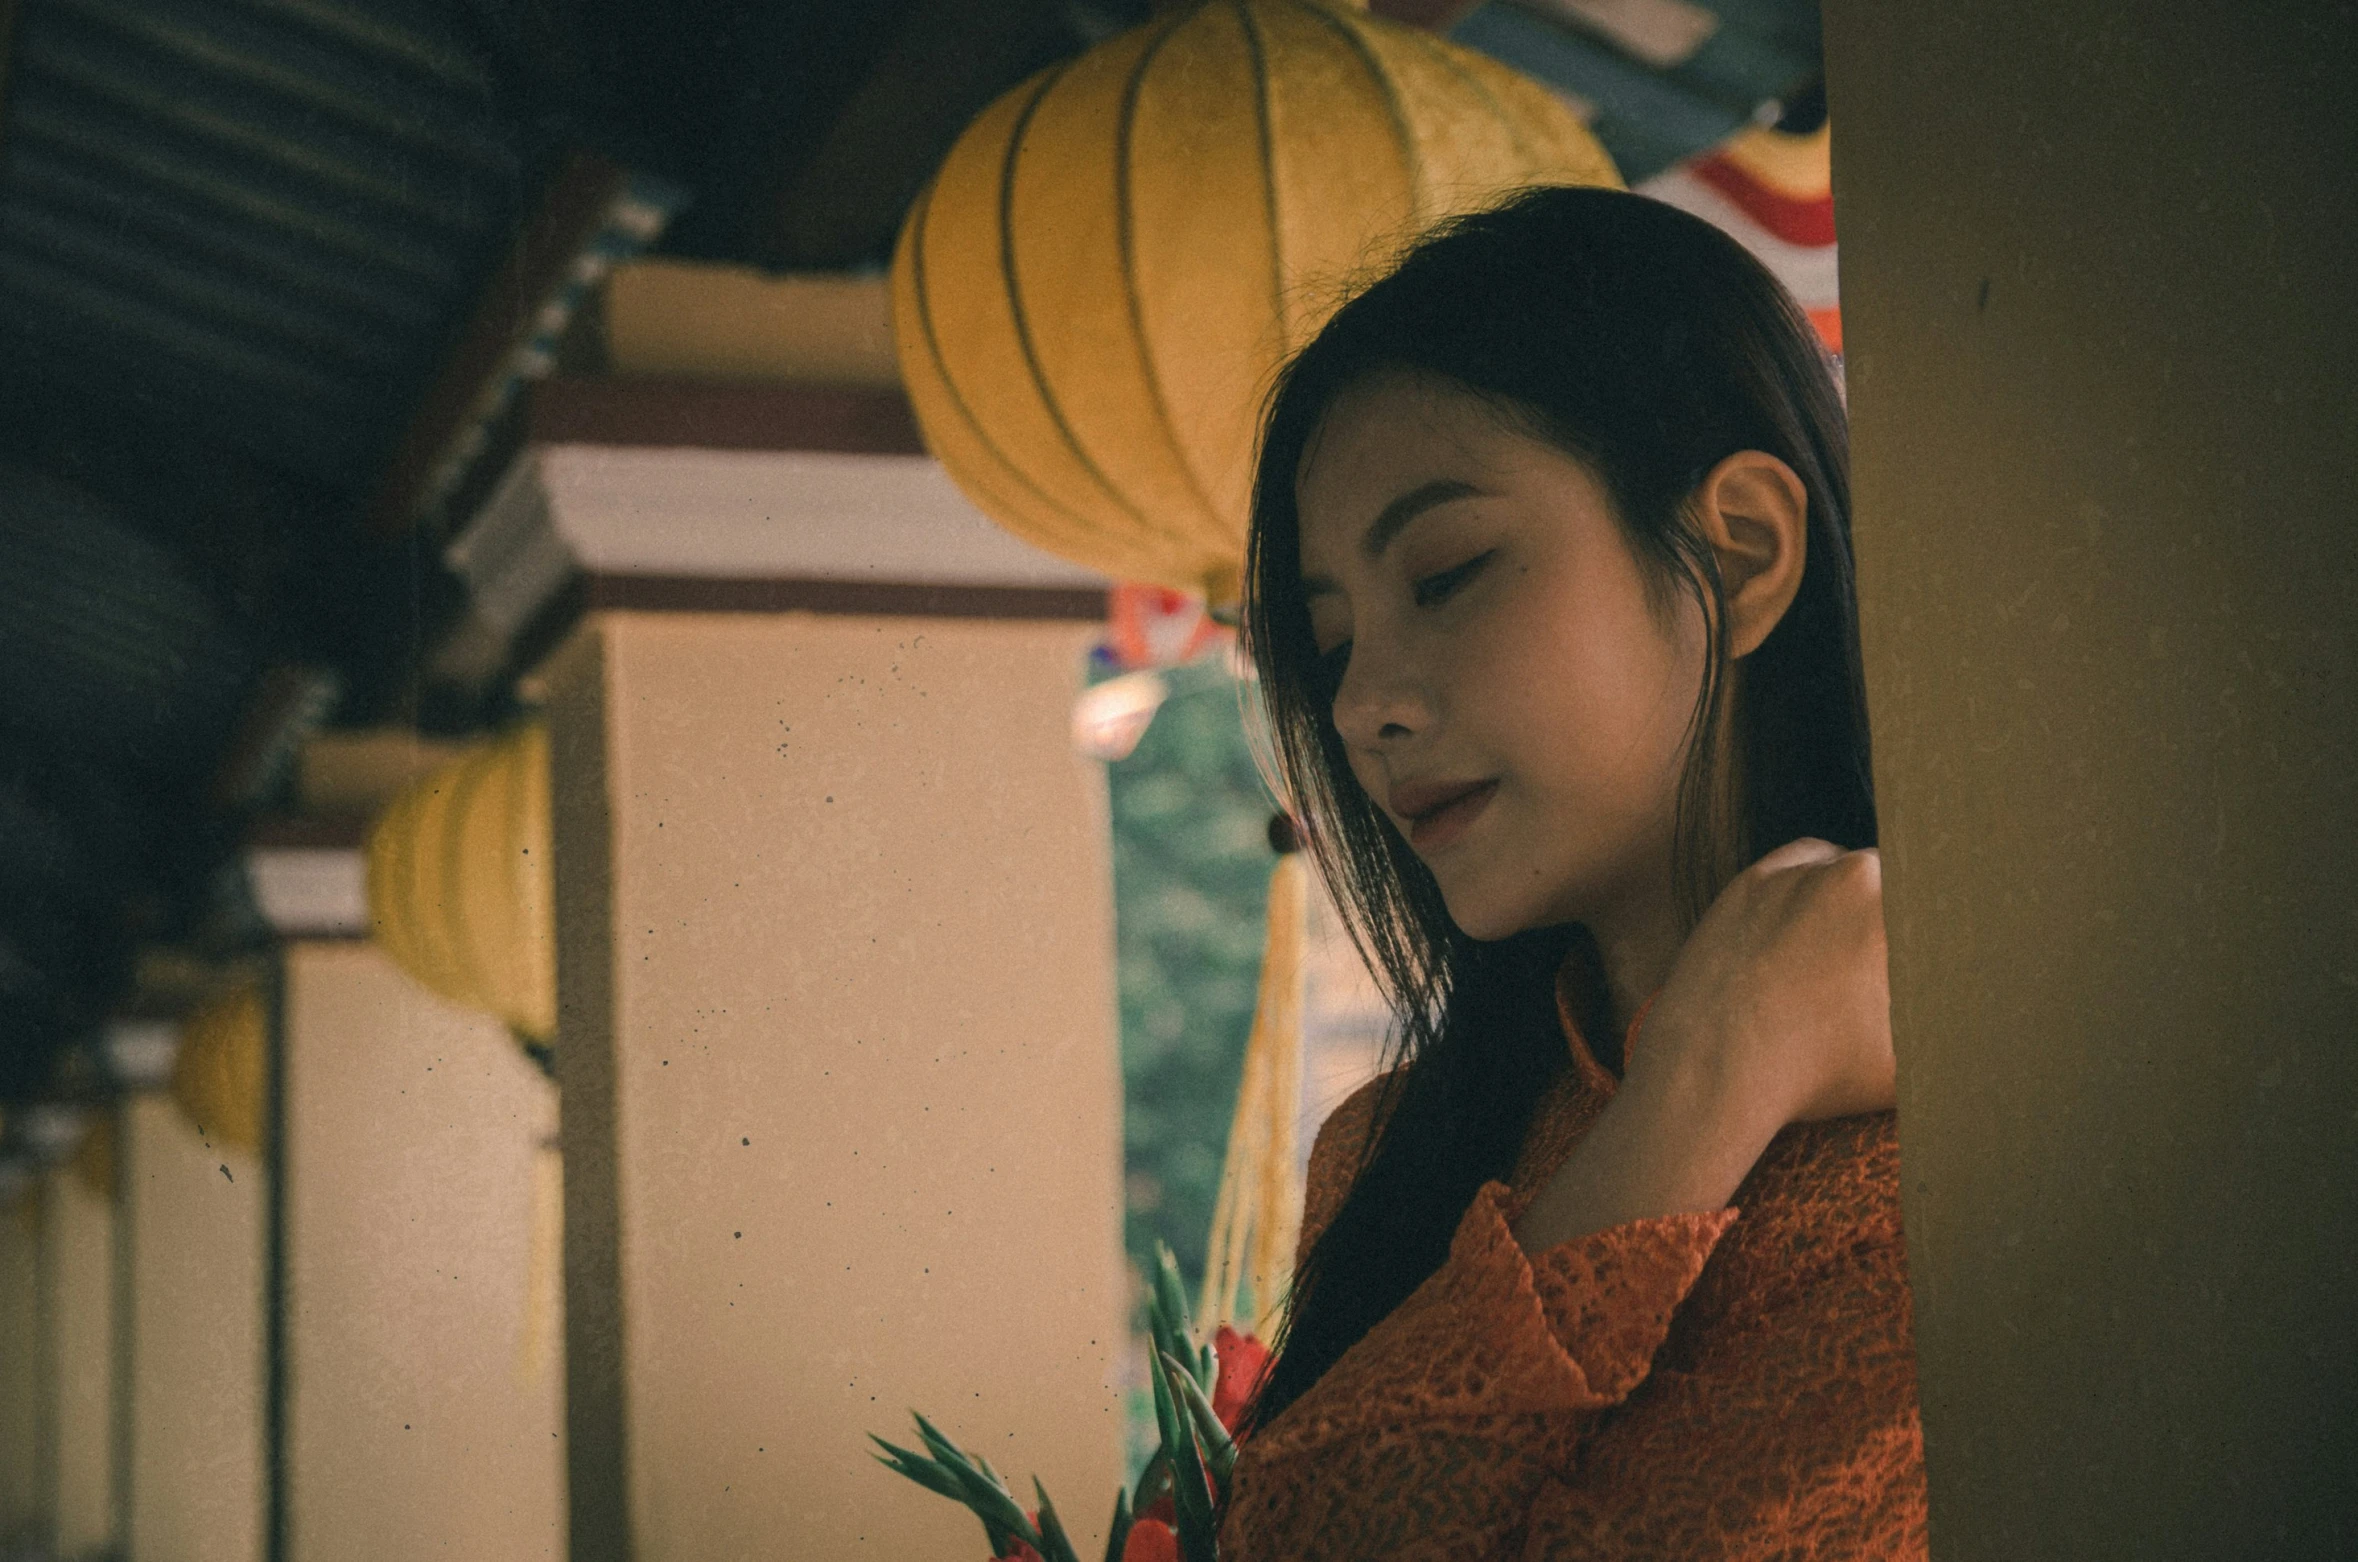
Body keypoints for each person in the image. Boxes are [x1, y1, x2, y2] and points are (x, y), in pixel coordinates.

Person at [1217, 186, 1924, 1558]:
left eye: (1449, 569)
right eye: (1330, 642)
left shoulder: (1992, 1144)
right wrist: (1698, 1090)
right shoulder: (1383, 1157)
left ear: (1740, 552)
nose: (1363, 705)